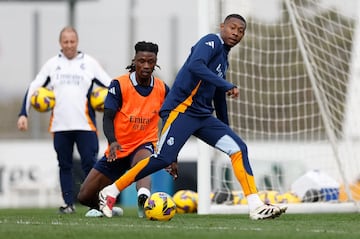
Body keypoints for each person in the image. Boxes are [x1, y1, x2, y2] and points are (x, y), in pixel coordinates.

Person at [98, 14, 287, 220]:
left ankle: (256, 205)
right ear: (222, 26)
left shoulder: (223, 59)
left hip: (202, 115)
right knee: (163, 159)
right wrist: (227, 85)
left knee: (238, 148)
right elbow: (196, 66)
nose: (236, 33)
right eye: (232, 27)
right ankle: (111, 191)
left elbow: (217, 94)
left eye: (241, 31)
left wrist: (226, 126)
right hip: (182, 110)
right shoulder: (211, 41)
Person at [17, 26, 112, 214]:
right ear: (60, 43)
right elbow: (34, 87)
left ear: (77, 42)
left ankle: (98, 204)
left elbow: (111, 85)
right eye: (65, 42)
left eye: (72, 41)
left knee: (90, 165)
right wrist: (23, 114)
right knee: (64, 165)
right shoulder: (52, 65)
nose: (69, 45)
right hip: (60, 126)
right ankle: (68, 204)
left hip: (86, 125)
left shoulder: (89, 63)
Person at [77, 41, 170, 218]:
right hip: (118, 148)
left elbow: (171, 119)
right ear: (134, 60)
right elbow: (108, 117)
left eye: (151, 62)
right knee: (84, 195)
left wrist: (170, 152)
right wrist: (112, 141)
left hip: (144, 144)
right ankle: (104, 206)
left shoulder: (162, 89)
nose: (146, 66)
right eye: (142, 61)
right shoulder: (118, 84)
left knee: (143, 163)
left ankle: (144, 199)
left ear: (155, 62)